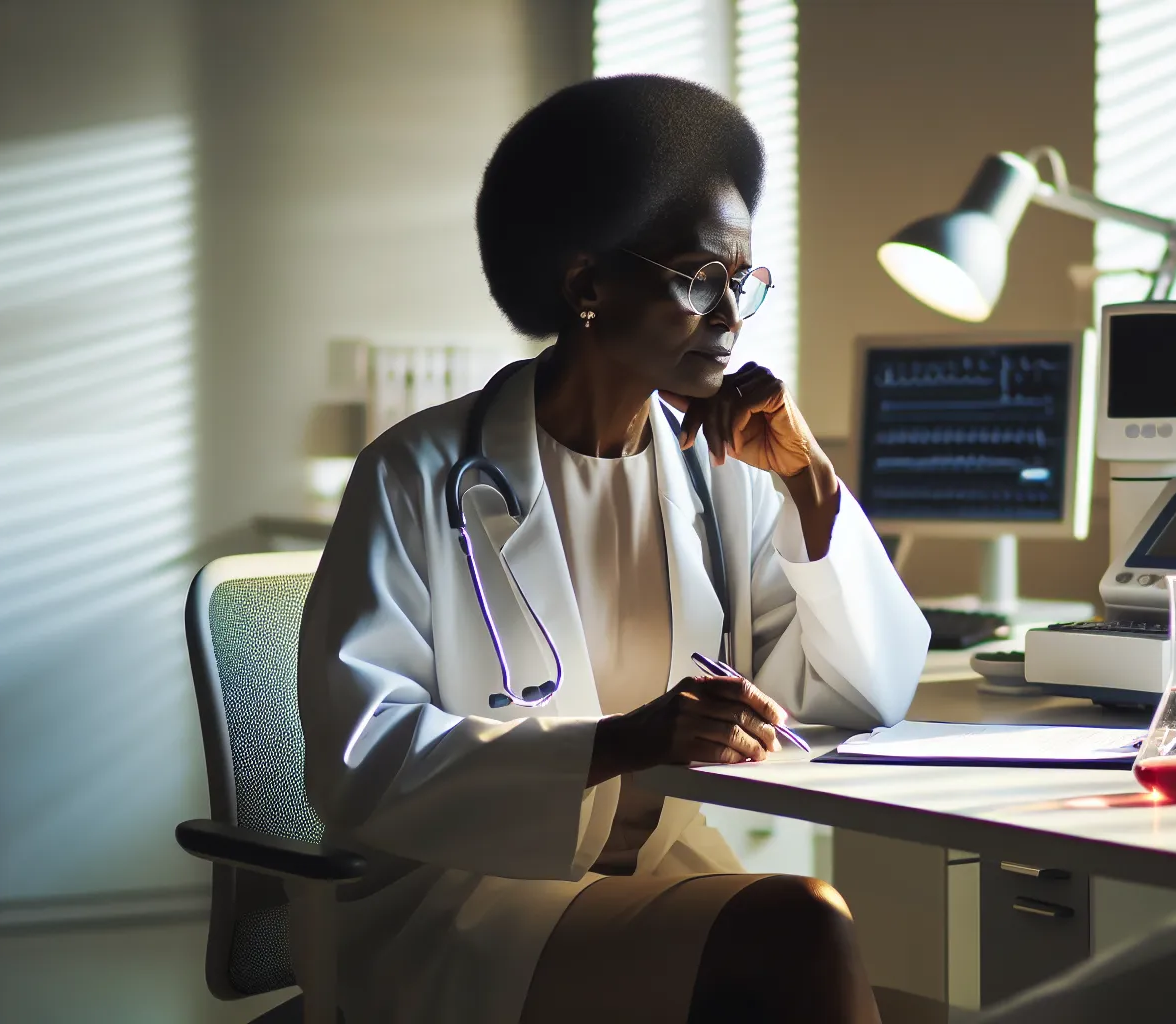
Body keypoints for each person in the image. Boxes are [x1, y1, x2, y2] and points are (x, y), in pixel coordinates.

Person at [296, 74, 929, 1024]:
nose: (730, 316)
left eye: (742, 281)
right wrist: (623, 740)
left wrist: (808, 481)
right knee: (799, 931)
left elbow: (859, 696)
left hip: (655, 871)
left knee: (811, 944)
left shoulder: (721, 476)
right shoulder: (416, 473)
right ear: (588, 286)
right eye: (697, 278)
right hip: (462, 900)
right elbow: (364, 758)